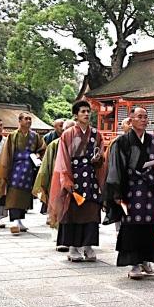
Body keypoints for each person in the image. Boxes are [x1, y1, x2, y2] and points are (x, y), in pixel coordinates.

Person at [106, 108, 154, 279]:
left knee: (151, 224)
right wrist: (117, 192)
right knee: (131, 225)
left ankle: (146, 260)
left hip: (151, 190)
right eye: (139, 117)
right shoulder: (121, 142)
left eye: (146, 117)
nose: (143, 120)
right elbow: (116, 168)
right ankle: (134, 263)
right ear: (131, 120)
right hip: (131, 188)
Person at [48, 102, 105, 262]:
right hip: (74, 175)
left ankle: (88, 246)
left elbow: (101, 154)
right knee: (72, 212)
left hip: (91, 177)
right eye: (83, 112)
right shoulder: (67, 134)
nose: (86, 114)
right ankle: (72, 247)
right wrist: (66, 178)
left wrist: (99, 159)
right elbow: (63, 158)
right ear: (76, 115)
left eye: (88, 111)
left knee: (91, 210)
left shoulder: (96, 134)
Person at [0, 112, 46, 235]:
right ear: (20, 121)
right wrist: (5, 168)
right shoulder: (13, 136)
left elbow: (43, 149)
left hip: (29, 168)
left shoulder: (35, 136)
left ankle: (20, 220)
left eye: (30, 119)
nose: (28, 121)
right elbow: (7, 153)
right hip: (15, 168)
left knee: (25, 194)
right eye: (26, 119)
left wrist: (37, 155)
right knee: (14, 193)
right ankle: (14, 221)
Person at [34, 119, 75, 248]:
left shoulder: (80, 144)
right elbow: (46, 166)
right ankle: (57, 234)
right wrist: (43, 183)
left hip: (75, 182)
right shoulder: (54, 144)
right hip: (57, 181)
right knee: (58, 208)